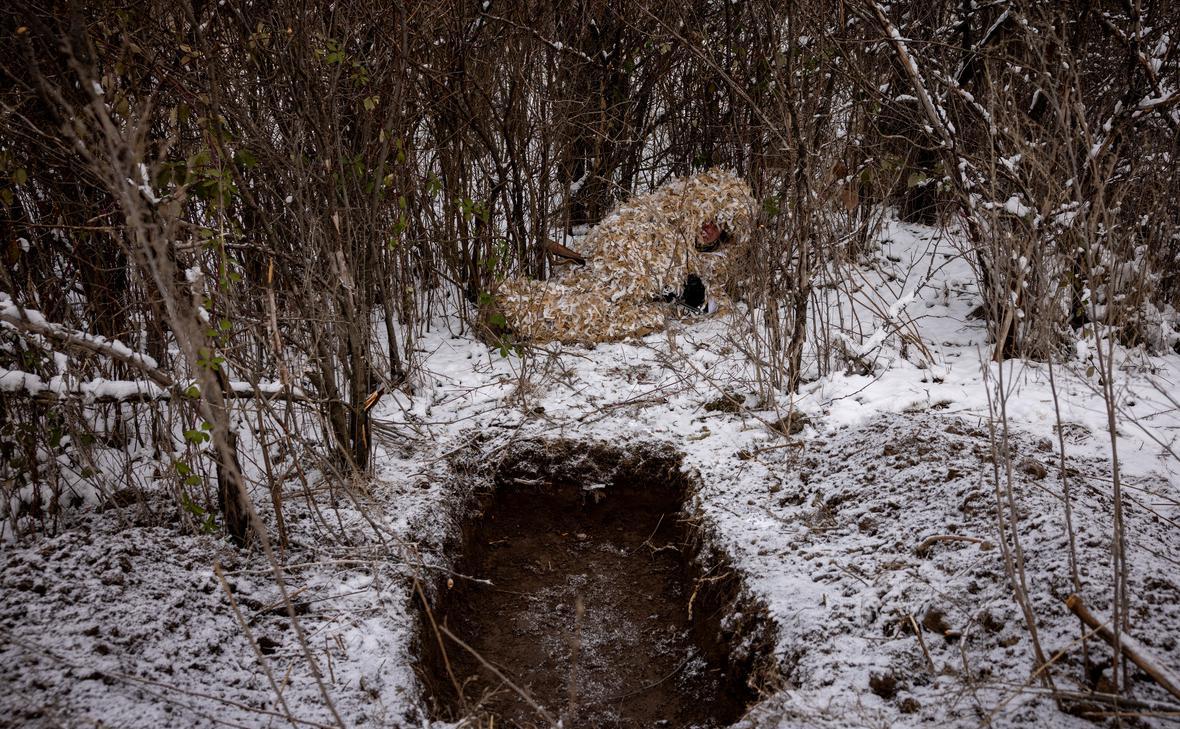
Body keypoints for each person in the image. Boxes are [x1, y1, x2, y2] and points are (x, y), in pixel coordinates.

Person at [489, 168, 753, 344]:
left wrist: (691, 297)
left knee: (607, 312)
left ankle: (518, 317)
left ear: (725, 234)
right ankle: (511, 308)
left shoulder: (713, 264)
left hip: (633, 295)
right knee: (586, 294)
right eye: (707, 220)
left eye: (717, 227)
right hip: (611, 264)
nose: (708, 229)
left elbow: (713, 305)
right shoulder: (664, 218)